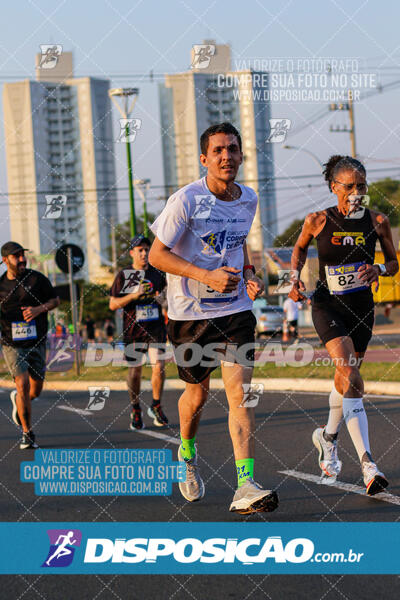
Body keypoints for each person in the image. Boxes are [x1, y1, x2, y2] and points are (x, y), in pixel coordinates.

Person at [149, 122, 279, 514]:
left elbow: (240, 247)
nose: (227, 156)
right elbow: (157, 256)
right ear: (205, 159)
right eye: (218, 150)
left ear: (241, 156)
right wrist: (205, 275)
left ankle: (245, 485)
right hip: (190, 315)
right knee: (197, 395)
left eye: (233, 149)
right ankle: (186, 455)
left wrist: (251, 275)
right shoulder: (186, 200)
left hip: (236, 309)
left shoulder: (249, 199)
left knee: (240, 395)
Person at [289, 155, 398, 495]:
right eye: (348, 186)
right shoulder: (318, 220)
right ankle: (368, 464)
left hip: (362, 307)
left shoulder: (377, 220)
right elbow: (298, 249)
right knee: (351, 375)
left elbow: (394, 263)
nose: (355, 193)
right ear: (334, 187)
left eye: (361, 187)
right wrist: (294, 279)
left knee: (345, 380)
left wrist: (378, 270)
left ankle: (328, 436)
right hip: (327, 304)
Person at [0, 242, 60, 449]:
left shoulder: (36, 279)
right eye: (16, 256)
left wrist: (39, 309)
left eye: (22, 255)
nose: (22, 259)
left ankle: (19, 399)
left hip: (37, 341)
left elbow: (55, 301)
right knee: (22, 383)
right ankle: (27, 433)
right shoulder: (0, 286)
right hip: (12, 344)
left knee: (35, 390)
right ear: (5, 260)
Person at [109, 234, 168, 429]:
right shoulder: (125, 275)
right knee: (135, 372)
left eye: (146, 249)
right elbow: (113, 304)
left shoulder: (157, 272)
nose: (144, 253)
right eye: (140, 250)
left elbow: (167, 299)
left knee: (158, 366)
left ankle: (156, 405)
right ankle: (135, 408)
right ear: (132, 252)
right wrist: (134, 295)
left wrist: (162, 299)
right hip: (133, 330)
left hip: (155, 328)